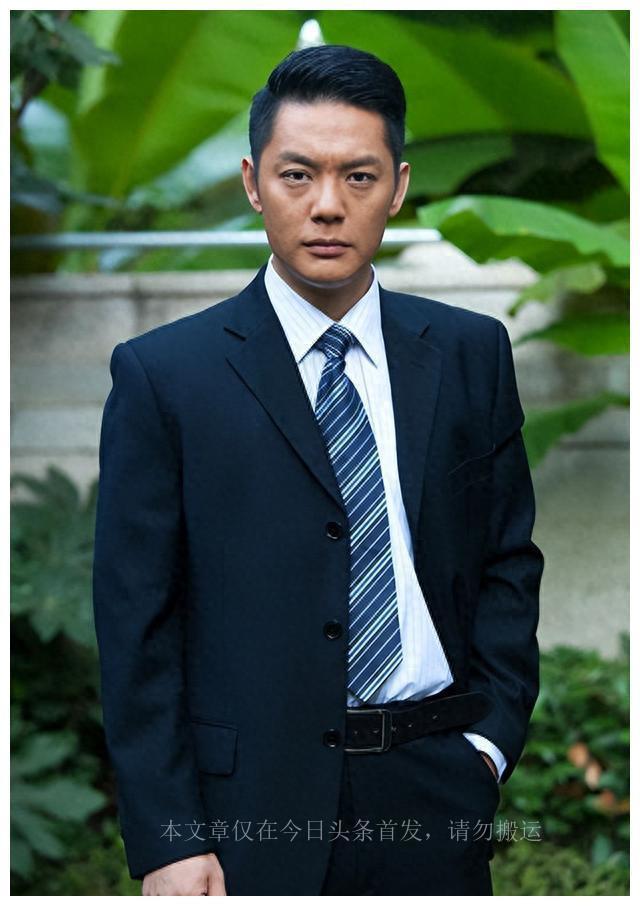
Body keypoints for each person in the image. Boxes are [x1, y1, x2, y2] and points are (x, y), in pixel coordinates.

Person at [92, 44, 543, 896]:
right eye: (297, 175)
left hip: (434, 786)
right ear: (253, 183)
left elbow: (506, 563)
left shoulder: (469, 353)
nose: (328, 205)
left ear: (398, 188)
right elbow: (135, 623)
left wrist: (485, 747)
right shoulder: (166, 375)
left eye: (358, 177)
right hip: (247, 806)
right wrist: (166, 837)